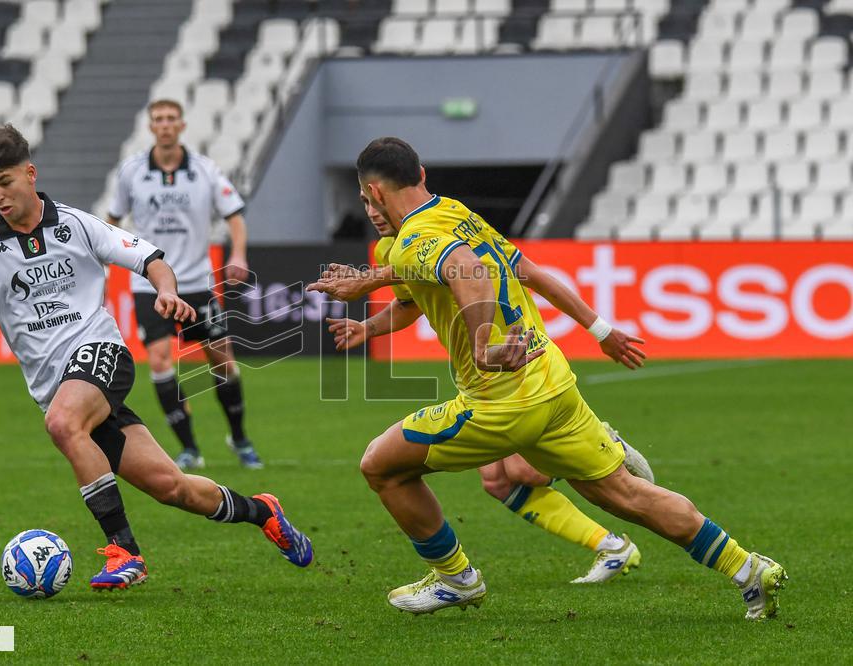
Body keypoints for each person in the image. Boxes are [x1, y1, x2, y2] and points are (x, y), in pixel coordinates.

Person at [349, 137, 786, 619]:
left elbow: (467, 269)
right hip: (550, 380)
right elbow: (505, 274)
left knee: (381, 466)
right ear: (422, 175)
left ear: (376, 191)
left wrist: (482, 345)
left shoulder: (414, 239)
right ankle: (747, 568)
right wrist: (368, 318)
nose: (368, 209)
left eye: (367, 199)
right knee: (624, 494)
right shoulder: (456, 214)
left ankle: (456, 578)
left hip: (502, 400)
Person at [0, 125, 312, 590]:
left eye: (4, 182)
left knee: (63, 424)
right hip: (57, 387)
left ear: (30, 173)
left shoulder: (78, 225)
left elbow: (151, 260)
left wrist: (166, 291)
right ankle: (264, 511)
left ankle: (125, 552)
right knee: (173, 487)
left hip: (100, 352)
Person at [317, 190, 654, 584]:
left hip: (515, 364)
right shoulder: (389, 248)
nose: (374, 213)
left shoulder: (446, 228)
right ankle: (610, 545)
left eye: (378, 202)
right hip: (480, 380)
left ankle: (605, 445)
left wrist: (601, 330)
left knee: (524, 473)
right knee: (498, 481)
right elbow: (410, 304)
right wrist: (368, 327)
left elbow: (527, 275)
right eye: (366, 204)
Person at [106, 99, 260, 471]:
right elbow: (111, 221)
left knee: (221, 358)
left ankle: (239, 437)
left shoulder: (205, 170)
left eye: (171, 119)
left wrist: (238, 254)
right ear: (151, 127)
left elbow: (234, 215)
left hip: (196, 282)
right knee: (160, 360)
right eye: (158, 119)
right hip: (148, 284)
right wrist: (106, 262)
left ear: (182, 125)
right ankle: (189, 447)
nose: (165, 125)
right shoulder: (131, 172)